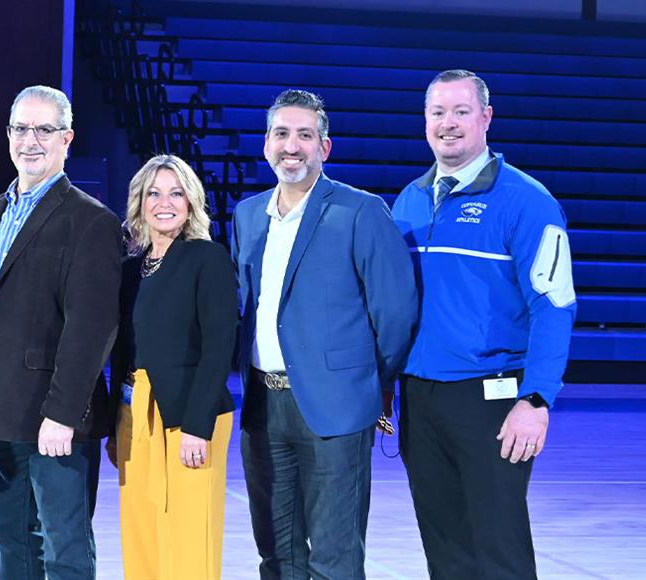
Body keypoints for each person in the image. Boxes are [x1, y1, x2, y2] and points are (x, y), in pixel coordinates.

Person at [393, 70, 577, 579]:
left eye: (461, 111)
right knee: (444, 548)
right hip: (420, 401)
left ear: (486, 118)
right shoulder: (407, 202)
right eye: (437, 112)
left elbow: (554, 306)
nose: (447, 124)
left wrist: (536, 398)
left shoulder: (527, 201)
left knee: (499, 550)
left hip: (491, 403)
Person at [231, 89, 419, 579]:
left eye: (305, 135)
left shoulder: (361, 211)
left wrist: (366, 383)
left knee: (334, 558)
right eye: (281, 134)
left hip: (336, 409)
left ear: (324, 147)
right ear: (266, 143)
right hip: (262, 409)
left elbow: (395, 314)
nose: (291, 146)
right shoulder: (247, 215)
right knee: (277, 553)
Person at [0, 85, 120, 580]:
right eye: (20, 128)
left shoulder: (91, 221)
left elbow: (91, 329)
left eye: (44, 130)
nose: (30, 140)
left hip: (56, 419)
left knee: (65, 548)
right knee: (11, 538)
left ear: (67, 138)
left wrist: (62, 413)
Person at [108, 155, 238, 580]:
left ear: (192, 202)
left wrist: (197, 426)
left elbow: (220, 346)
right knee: (142, 535)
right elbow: (121, 352)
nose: (165, 203)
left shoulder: (207, 258)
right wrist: (115, 426)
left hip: (188, 418)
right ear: (140, 203)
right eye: (154, 193)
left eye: (176, 192)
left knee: (186, 541)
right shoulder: (130, 269)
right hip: (133, 416)